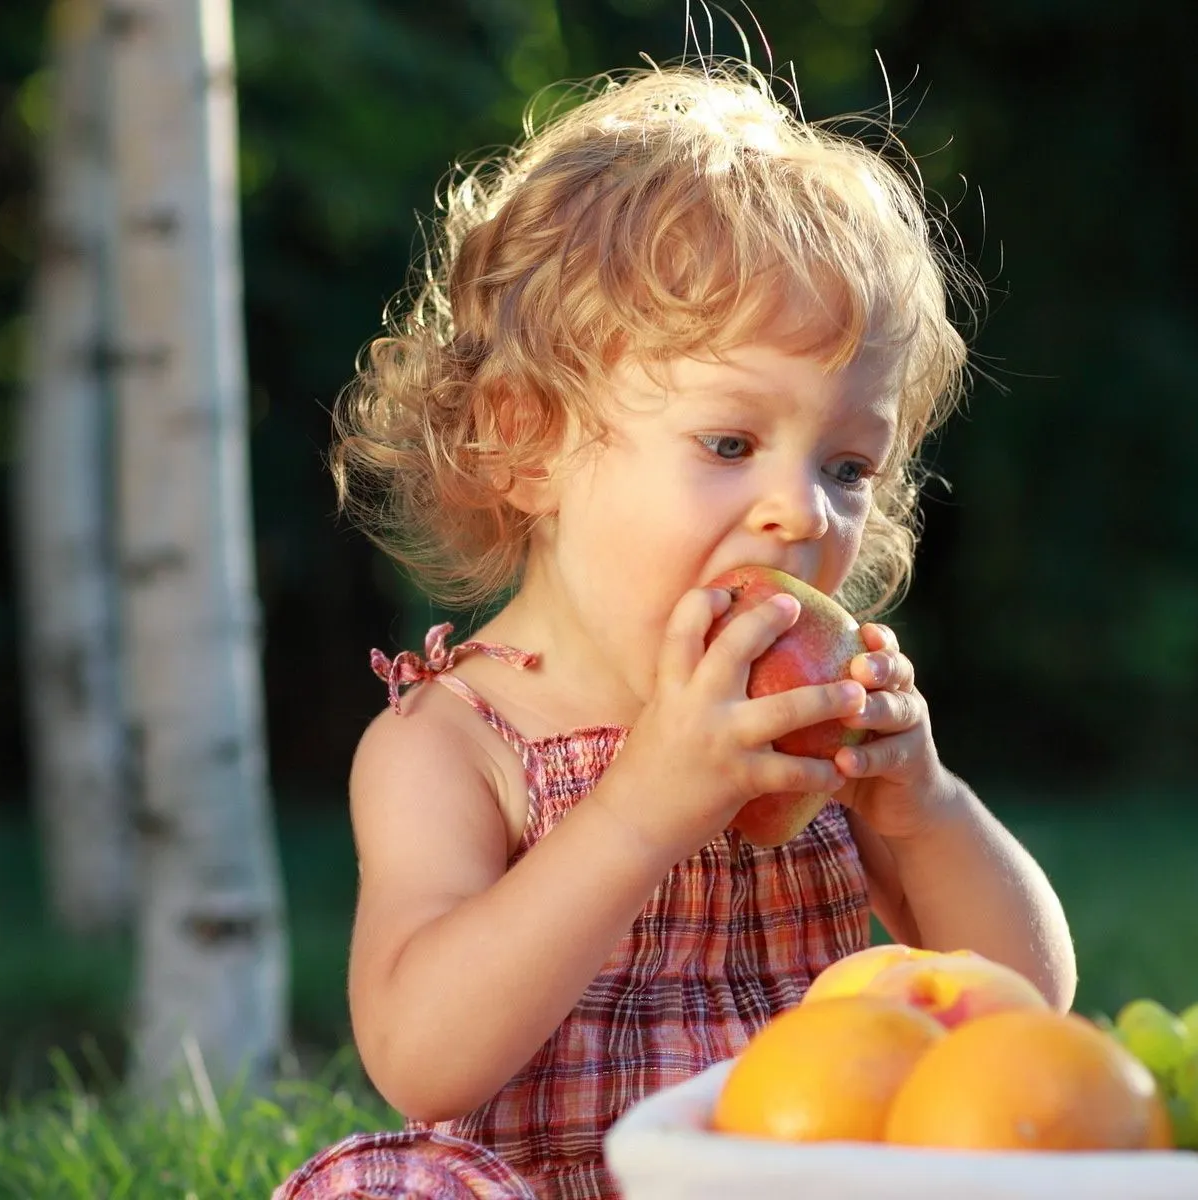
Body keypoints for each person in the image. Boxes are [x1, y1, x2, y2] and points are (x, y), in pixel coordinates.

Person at [274, 54, 1076, 1200]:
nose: (803, 508)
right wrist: (639, 811)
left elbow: (1028, 1012)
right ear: (526, 442)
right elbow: (422, 1059)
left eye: (849, 465)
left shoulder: (820, 729)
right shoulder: (452, 743)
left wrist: (926, 809)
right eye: (731, 443)